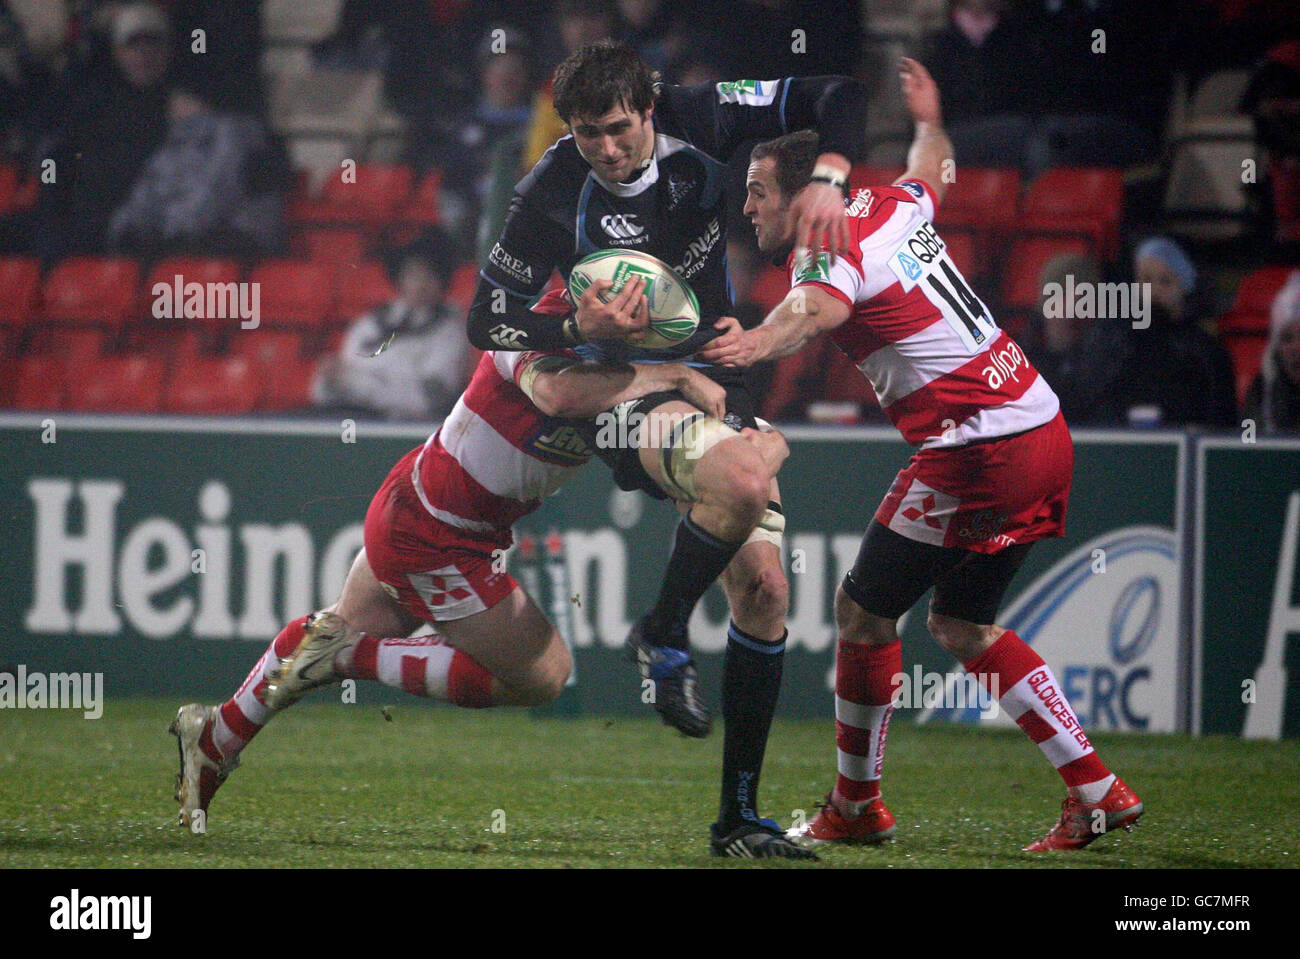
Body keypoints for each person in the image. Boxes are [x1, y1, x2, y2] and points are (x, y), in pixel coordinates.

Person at [699, 58, 1143, 852]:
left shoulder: (821, 245)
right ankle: (1097, 788)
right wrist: (931, 117)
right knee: (964, 622)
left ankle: (857, 806)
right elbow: (933, 166)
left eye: (758, 191)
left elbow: (815, 308)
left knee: (863, 613)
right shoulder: (889, 205)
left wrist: (753, 342)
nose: (748, 206)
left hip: (978, 446)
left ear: (802, 193)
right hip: (1040, 424)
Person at [467, 39, 866, 857]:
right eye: (586, 134)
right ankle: (665, 629)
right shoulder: (549, 188)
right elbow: (486, 319)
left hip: (719, 368)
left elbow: (839, 94)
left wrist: (828, 177)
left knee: (762, 587)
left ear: (650, 108)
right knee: (746, 479)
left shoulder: (703, 114)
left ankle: (739, 820)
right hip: (627, 389)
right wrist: (576, 327)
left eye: (618, 128)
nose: (606, 150)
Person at [171, 293, 740, 839]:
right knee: (544, 673)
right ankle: (347, 657)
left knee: (337, 626)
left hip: (431, 511)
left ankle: (217, 738)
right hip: (436, 531)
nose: (632, 312)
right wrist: (677, 377)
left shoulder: (621, 357)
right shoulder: (528, 326)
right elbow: (561, 397)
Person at [312, 229, 475, 422]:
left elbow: (427, 400)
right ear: (400, 279)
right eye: (413, 275)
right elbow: (325, 390)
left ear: (442, 282)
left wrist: (360, 384)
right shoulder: (369, 324)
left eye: (429, 276)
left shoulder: (451, 332)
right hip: (350, 420)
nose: (420, 284)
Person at [1243, 269, 1300, 432]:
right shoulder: (1261, 390)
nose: (1296, 347)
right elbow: (1246, 443)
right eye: (1287, 339)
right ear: (1276, 346)